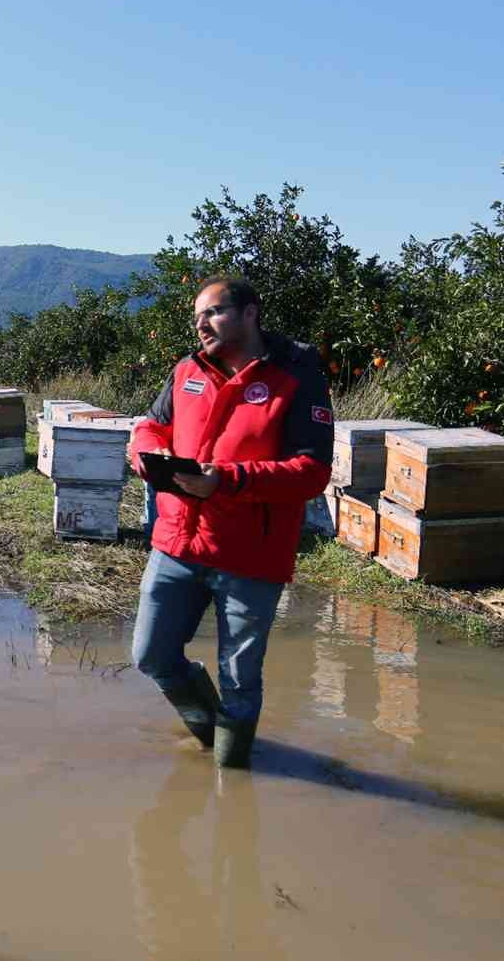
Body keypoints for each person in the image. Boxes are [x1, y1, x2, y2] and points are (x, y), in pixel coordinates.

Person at [126, 277, 332, 768]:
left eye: (213, 313)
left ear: (250, 314)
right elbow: (150, 425)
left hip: (249, 556)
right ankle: (207, 733)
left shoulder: (297, 378)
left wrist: (227, 481)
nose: (201, 325)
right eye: (197, 316)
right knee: (151, 655)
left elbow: (311, 472)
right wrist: (147, 452)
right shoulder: (187, 372)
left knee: (241, 679)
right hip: (177, 543)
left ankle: (231, 773)